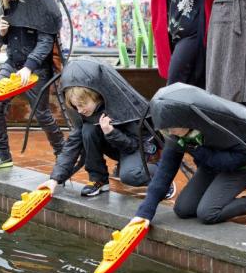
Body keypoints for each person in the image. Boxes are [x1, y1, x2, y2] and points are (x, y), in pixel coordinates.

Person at [128, 83, 246, 227]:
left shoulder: (216, 124)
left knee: (208, 213)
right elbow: (164, 173)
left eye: (172, 128)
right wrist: (144, 213)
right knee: (183, 209)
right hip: (210, 167)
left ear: (186, 121)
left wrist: (202, 153)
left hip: (239, 168)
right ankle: (220, 190)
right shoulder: (176, 134)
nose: (169, 133)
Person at [36, 58, 174, 198]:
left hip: (136, 147)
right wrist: (54, 180)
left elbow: (133, 145)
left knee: (130, 175)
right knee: (88, 131)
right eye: (75, 106)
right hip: (116, 143)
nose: (79, 110)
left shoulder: (124, 106)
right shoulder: (84, 112)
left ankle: (162, 179)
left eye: (82, 105)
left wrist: (111, 132)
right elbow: (72, 146)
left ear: (96, 96)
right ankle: (99, 180)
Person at [0, 0, 65, 170]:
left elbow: (46, 42)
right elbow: (4, 42)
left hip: (36, 68)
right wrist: (1, 34)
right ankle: (2, 155)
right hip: (12, 63)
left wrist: (29, 67)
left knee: (42, 114)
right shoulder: (8, 4)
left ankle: (63, 155)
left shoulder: (41, 6)